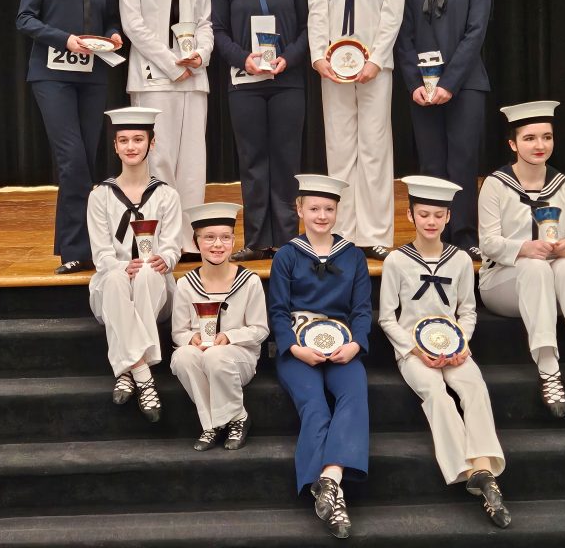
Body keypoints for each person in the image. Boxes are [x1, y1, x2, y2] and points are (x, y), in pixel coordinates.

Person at [379, 175, 510, 528]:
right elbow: (387, 318)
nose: (431, 221)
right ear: (410, 215)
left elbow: (467, 310)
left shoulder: (461, 260)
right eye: (423, 214)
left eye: (438, 215)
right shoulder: (396, 261)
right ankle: (471, 472)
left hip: (454, 348)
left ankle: (484, 468)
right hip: (413, 351)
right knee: (436, 393)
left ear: (449, 217)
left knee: (474, 386)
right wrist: (413, 349)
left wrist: (462, 342)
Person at [478, 101, 565, 418]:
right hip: (504, 283)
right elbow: (488, 243)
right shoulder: (495, 185)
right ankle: (549, 370)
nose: (540, 145)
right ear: (513, 144)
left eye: (547, 137)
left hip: (554, 284)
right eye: (529, 138)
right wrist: (523, 248)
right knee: (534, 266)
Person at [16, 0, 124, 274]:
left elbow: (111, 17)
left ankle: (80, 245)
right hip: (52, 75)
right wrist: (65, 40)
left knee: (86, 161)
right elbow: (25, 18)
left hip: (92, 75)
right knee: (72, 160)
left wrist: (113, 35)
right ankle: (76, 249)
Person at [268, 174, 372, 540]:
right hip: (299, 350)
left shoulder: (353, 256)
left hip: (343, 347)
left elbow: (362, 310)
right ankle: (331, 494)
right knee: (314, 404)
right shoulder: (286, 256)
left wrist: (356, 345)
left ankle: (329, 479)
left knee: (354, 394)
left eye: (329, 208)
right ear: (299, 209)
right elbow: (277, 311)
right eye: (314, 208)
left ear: (337, 211)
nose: (322, 215)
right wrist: (295, 348)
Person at [307, 0, 405, 261]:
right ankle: (343, 230)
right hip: (333, 67)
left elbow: (392, 10)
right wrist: (319, 55)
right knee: (340, 146)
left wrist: (377, 58)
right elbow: (317, 7)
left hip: (374, 66)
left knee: (375, 147)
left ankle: (377, 232)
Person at [211, 0, 308, 261]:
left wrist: (288, 58)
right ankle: (255, 240)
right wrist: (243, 59)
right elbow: (218, 30)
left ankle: (286, 238)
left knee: (285, 160)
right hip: (244, 84)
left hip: (287, 82)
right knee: (252, 161)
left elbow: (308, 28)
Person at [119, 0, 213, 258]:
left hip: (194, 79)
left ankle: (189, 239)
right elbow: (133, 24)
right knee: (159, 160)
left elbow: (205, 22)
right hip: (153, 77)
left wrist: (200, 55)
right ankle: (159, 239)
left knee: (192, 163)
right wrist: (172, 63)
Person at [396, 0, 491, 260]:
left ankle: (464, 233)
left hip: (465, 86)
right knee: (432, 164)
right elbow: (404, 36)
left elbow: (475, 34)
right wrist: (414, 84)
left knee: (462, 161)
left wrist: (449, 82)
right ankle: (432, 235)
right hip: (424, 88)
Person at [87, 107, 185, 423]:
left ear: (151, 143)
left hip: (154, 287)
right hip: (111, 287)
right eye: (124, 140)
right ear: (115, 146)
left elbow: (171, 246)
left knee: (147, 272)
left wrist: (165, 259)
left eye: (138, 139)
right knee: (115, 278)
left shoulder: (167, 195)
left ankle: (126, 371)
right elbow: (101, 254)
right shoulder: (100, 195)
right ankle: (143, 375)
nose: (131, 146)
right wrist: (119, 267)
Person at [171, 202, 269, 451]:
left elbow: (260, 329)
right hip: (202, 353)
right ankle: (220, 422)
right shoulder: (186, 284)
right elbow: (178, 332)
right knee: (182, 356)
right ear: (196, 242)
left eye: (225, 237)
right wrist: (190, 339)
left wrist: (229, 336)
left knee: (216, 355)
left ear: (234, 241)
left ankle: (230, 419)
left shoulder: (249, 281)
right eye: (209, 237)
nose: (218, 244)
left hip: (238, 358)